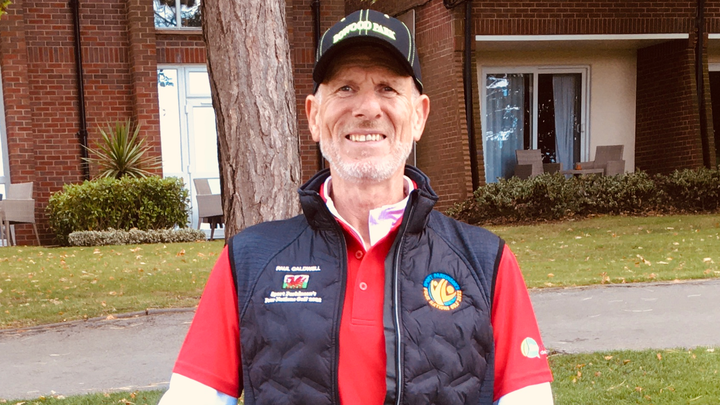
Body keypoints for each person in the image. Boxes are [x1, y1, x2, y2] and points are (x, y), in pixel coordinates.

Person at [159, 9, 553, 405]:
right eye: (345, 88)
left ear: (419, 116)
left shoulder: (486, 262)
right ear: (314, 116)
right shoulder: (248, 260)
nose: (367, 108)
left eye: (387, 88)